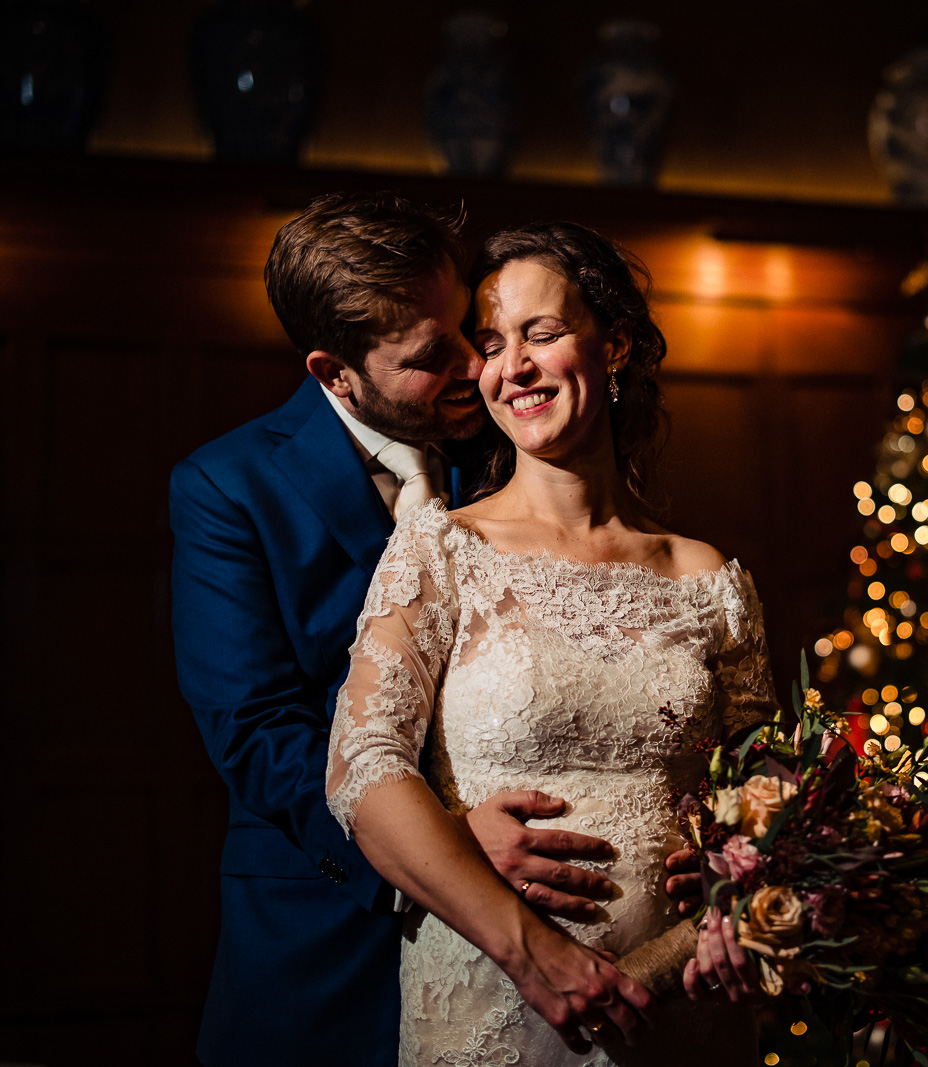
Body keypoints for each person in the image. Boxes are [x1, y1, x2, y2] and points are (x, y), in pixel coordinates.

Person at [171, 193, 662, 1067]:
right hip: (325, 936)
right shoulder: (229, 486)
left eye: (470, 328)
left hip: (533, 961)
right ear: (336, 372)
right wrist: (436, 842)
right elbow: (255, 730)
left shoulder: (509, 441)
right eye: (434, 356)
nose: (479, 364)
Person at [325, 221, 778, 1065]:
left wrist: (738, 903)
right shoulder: (441, 551)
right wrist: (533, 955)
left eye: (542, 334)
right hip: (494, 1004)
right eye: (491, 344)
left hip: (682, 1014)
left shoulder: (709, 577)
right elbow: (361, 767)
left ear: (616, 345)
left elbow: (765, 794)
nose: (513, 368)